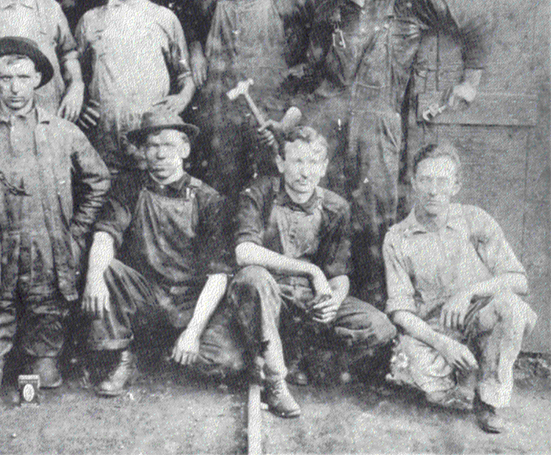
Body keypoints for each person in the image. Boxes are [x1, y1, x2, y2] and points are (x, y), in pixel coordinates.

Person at [303, 0, 486, 308]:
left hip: (380, 127)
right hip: (330, 127)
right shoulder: (328, 10)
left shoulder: (411, 1)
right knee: (329, 216)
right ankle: (331, 316)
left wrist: (469, 82)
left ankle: (376, 316)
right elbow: (311, 71)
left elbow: (472, 25)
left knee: (375, 221)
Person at [0, 37, 110, 398]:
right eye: (7, 78)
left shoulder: (63, 132)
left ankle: (39, 356)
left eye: (24, 78)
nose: (15, 88)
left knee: (45, 375)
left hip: (48, 267)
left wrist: (74, 233)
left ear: (37, 80)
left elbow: (99, 181)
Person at [229, 126, 396, 418]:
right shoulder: (259, 192)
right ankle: (276, 380)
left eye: (313, 163)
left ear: (324, 167)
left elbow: (339, 271)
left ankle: (305, 357)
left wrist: (333, 298)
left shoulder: (335, 207)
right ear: (281, 163)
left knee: (380, 327)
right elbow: (244, 252)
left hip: (306, 301)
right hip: (268, 295)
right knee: (254, 278)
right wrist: (309, 269)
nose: (305, 172)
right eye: (297, 162)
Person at [82, 110, 245, 397]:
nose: (158, 154)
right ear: (143, 151)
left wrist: (193, 332)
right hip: (147, 296)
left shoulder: (208, 199)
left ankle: (164, 350)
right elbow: (105, 234)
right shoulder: (130, 187)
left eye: (167, 145)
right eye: (152, 146)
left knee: (227, 362)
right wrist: (94, 277)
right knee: (105, 268)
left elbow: (219, 274)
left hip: (190, 301)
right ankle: (123, 357)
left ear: (184, 149)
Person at [383, 142, 536, 433]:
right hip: (436, 331)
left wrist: (467, 294)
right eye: (426, 180)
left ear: (456, 185)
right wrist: (442, 343)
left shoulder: (474, 219)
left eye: (442, 181)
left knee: (512, 307)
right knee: (415, 369)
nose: (433, 190)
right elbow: (399, 311)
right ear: (413, 182)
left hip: (479, 321)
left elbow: (519, 280)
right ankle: (457, 381)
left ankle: (488, 398)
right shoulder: (397, 237)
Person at [190, 0, 326, 197]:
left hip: (273, 118)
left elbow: (321, 47)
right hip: (221, 119)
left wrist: (294, 113)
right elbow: (194, 27)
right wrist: (196, 48)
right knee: (221, 199)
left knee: (272, 199)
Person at [76, 0, 196, 175]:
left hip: (151, 146)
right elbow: (75, 76)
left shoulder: (164, 19)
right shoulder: (91, 20)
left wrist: (182, 98)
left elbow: (186, 75)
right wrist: (81, 105)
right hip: (104, 144)